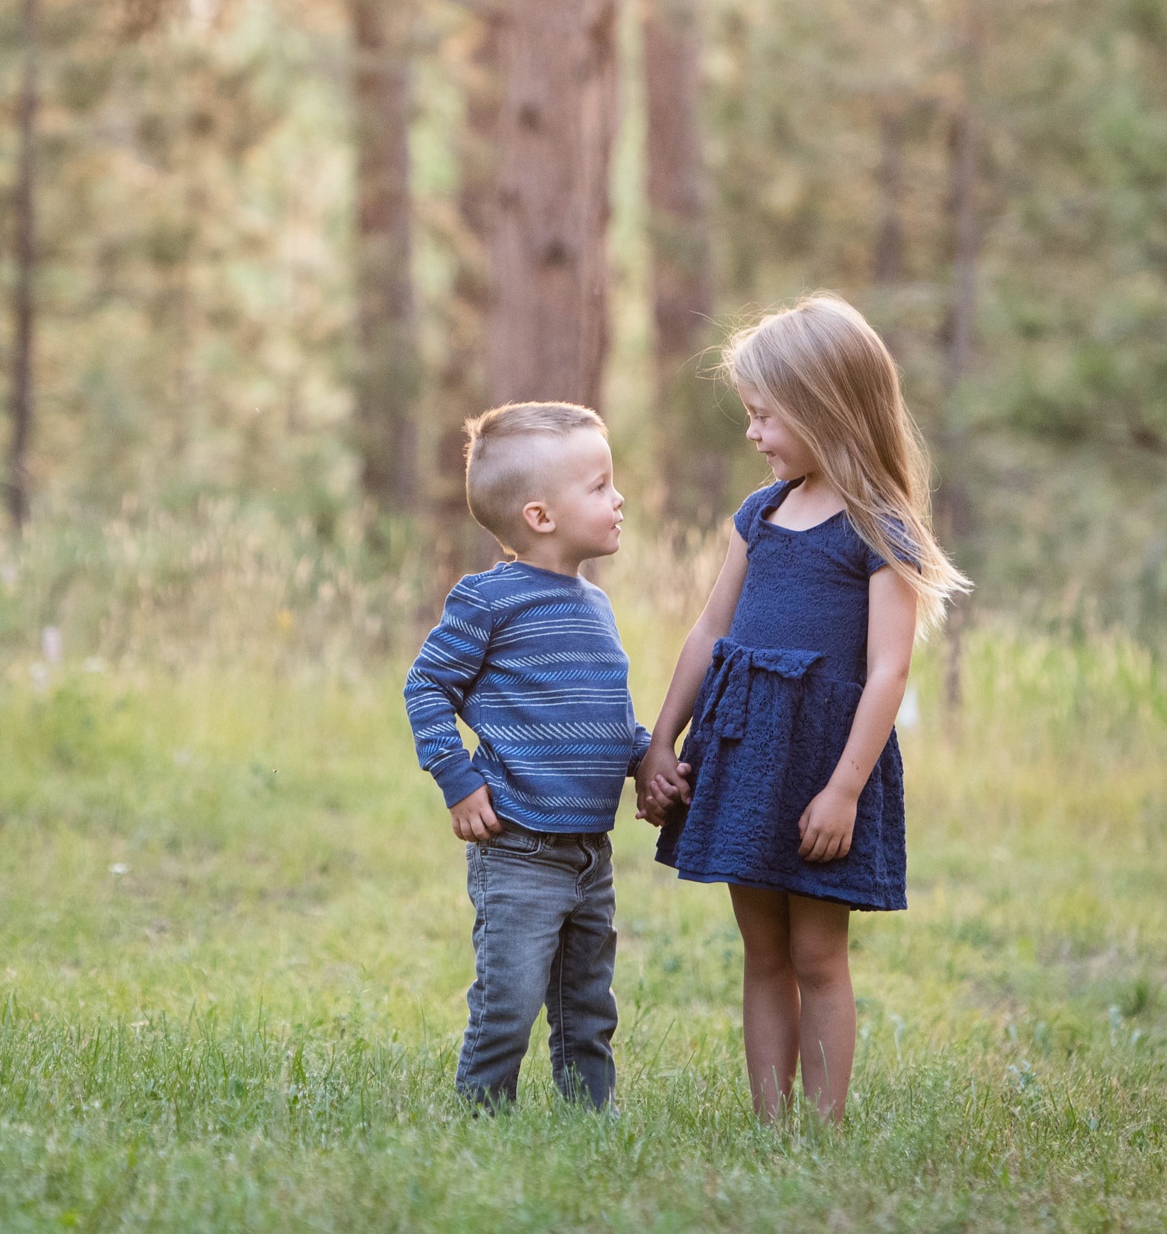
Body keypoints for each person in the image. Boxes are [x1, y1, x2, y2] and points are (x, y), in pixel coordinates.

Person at [636, 294, 969, 1121]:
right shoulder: (763, 512)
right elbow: (710, 632)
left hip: (822, 760)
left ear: (823, 408)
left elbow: (888, 671)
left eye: (764, 416)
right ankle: (769, 1122)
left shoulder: (878, 527)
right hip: (745, 751)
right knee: (762, 950)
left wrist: (845, 788)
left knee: (818, 952)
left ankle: (821, 1126)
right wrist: (660, 742)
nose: (752, 434)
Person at [403, 401, 654, 1109]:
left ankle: (587, 1124)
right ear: (541, 515)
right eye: (600, 485)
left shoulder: (594, 605)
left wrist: (648, 761)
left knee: (588, 1006)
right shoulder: (488, 600)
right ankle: (483, 1117)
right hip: (517, 844)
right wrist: (457, 778)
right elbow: (425, 685)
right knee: (509, 1000)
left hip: (588, 852)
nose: (619, 497)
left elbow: (605, 719)